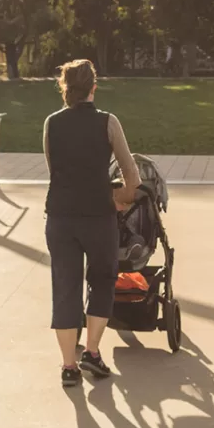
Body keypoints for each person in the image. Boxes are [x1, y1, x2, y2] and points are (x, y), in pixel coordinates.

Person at [44, 59, 141, 387]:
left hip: (60, 217)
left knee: (65, 287)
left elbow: (53, 169)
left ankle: (68, 367)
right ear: (94, 88)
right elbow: (132, 174)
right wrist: (122, 198)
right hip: (99, 217)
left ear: (65, 88)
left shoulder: (51, 123)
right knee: (102, 280)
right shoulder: (108, 122)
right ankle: (92, 351)